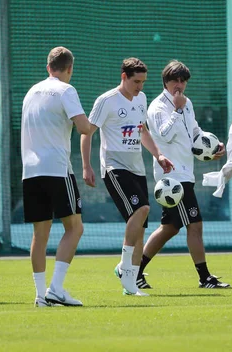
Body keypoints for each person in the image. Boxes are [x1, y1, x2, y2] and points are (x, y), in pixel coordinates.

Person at [81, 58, 173, 296]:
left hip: (137, 169)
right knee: (141, 209)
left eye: (143, 82)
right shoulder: (107, 100)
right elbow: (86, 133)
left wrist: (159, 155)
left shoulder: (141, 99)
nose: (140, 86)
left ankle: (130, 285)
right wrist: (86, 166)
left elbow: (142, 132)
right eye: (136, 81)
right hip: (114, 167)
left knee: (141, 227)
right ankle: (124, 267)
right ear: (123, 76)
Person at [137, 60, 229, 290]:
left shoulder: (187, 103)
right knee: (195, 225)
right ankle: (204, 277)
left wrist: (213, 147)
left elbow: (195, 131)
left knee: (170, 227)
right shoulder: (158, 107)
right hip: (172, 177)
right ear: (165, 82)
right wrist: (177, 109)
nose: (179, 85)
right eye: (174, 80)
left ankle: (132, 270)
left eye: (183, 80)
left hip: (186, 173)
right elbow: (164, 135)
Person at [21, 46, 92, 307]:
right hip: (57, 169)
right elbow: (84, 127)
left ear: (48, 66)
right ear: (69, 69)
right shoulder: (66, 90)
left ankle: (41, 296)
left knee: (40, 235)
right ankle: (56, 288)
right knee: (75, 227)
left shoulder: (31, 92)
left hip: (30, 172)